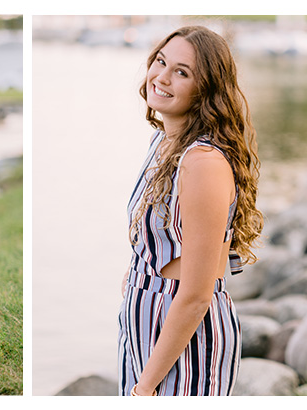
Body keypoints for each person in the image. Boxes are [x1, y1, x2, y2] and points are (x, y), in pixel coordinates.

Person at [119, 25, 262, 396]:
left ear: (206, 90)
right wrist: (136, 278)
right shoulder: (164, 141)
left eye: (182, 72)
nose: (162, 77)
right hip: (147, 323)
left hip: (186, 340)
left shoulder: (202, 162)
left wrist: (145, 386)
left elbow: (198, 293)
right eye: (161, 62)